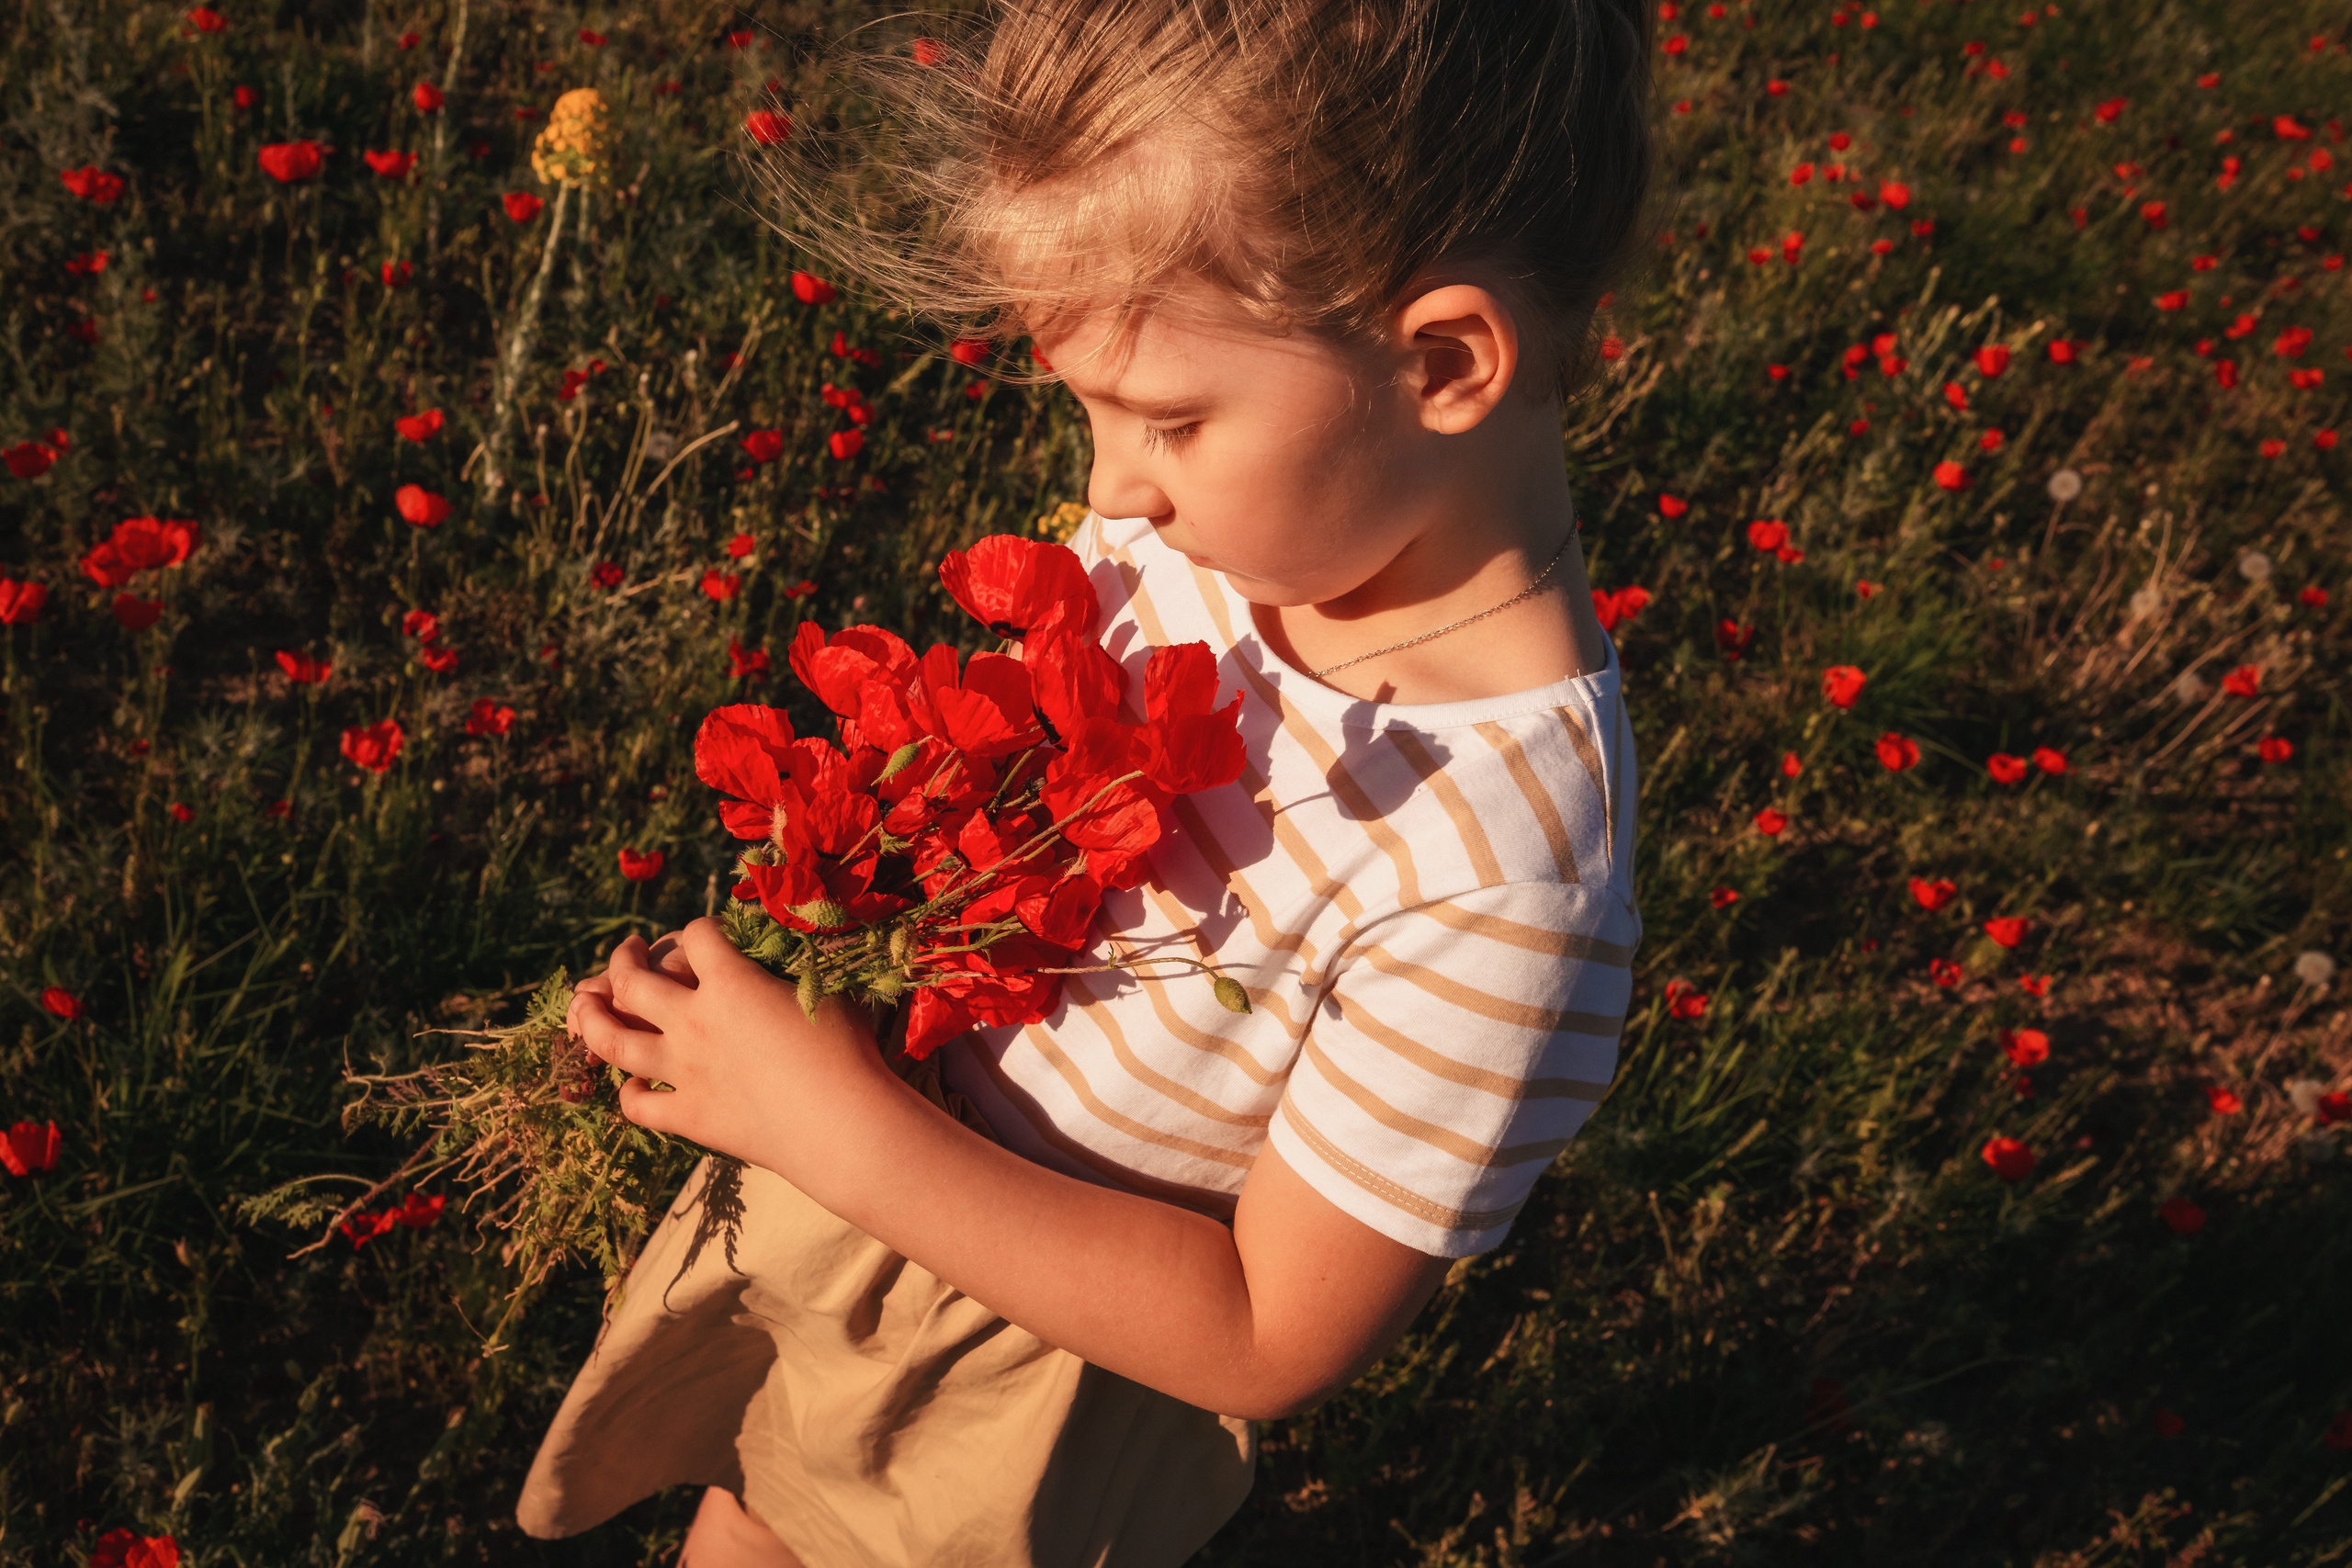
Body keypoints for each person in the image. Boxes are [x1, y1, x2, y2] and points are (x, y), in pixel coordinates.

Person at [517, 1, 1655, 1562]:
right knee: (747, 1506)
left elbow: (1270, 1334)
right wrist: (807, 962)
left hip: (1019, 1379)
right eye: (1095, 413)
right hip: (852, 1172)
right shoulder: (1207, 537)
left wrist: (827, 1120)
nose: (1112, 488)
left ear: (1446, 359)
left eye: (1170, 420)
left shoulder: (1500, 868)